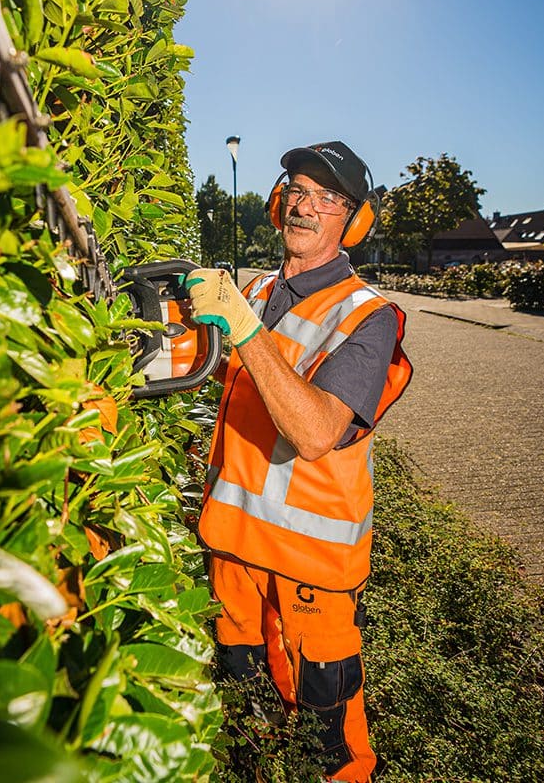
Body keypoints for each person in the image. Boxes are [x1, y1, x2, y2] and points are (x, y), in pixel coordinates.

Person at [185, 141, 412, 782]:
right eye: (297, 190)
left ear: (355, 222)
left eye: (327, 197)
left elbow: (315, 431)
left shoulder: (368, 317)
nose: (305, 206)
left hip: (310, 567)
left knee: (325, 738)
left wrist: (245, 330)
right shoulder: (251, 290)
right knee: (247, 712)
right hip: (231, 546)